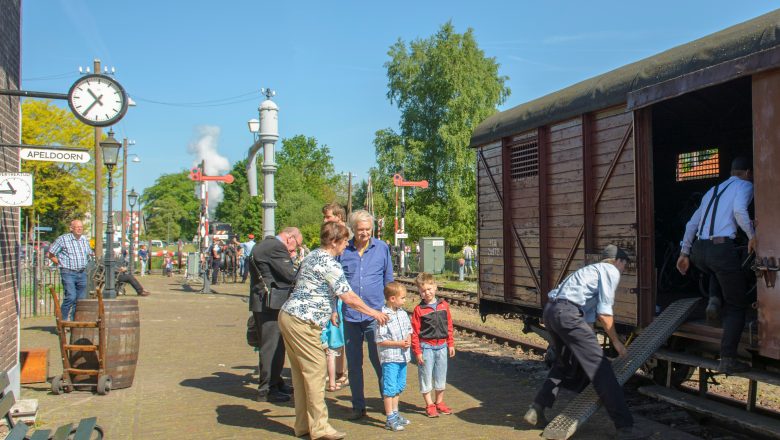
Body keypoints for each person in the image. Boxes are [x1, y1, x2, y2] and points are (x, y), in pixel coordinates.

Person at [279, 222, 389, 440]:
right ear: (334, 242)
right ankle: (319, 428)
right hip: (304, 321)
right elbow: (348, 297)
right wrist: (374, 312)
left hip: (289, 316)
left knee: (301, 375)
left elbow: (311, 286)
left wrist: (329, 310)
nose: (346, 244)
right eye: (344, 240)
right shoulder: (331, 263)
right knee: (316, 373)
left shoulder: (312, 256)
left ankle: (303, 425)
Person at [523, 245, 646, 440]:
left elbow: (587, 322)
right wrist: (616, 342)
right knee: (601, 368)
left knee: (564, 363)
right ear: (618, 261)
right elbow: (605, 313)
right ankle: (625, 428)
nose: (623, 270)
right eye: (624, 265)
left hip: (552, 312)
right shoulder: (610, 270)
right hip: (568, 314)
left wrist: (590, 344)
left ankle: (537, 409)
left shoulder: (589, 271)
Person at [676, 156, 756, 374]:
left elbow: (692, 223)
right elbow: (740, 210)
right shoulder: (746, 185)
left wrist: (684, 253)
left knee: (718, 270)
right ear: (748, 172)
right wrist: (752, 235)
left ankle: (713, 298)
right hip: (721, 249)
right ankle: (728, 358)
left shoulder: (713, 190)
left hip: (699, 252)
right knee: (737, 306)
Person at [340, 209, 394, 420]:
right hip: (351, 316)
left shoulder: (382, 248)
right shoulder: (344, 250)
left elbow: (388, 279)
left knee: (380, 361)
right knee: (354, 364)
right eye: (360, 230)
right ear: (352, 229)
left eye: (368, 229)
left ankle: (387, 402)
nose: (364, 233)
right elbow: (337, 283)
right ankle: (358, 406)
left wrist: (390, 308)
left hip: (376, 316)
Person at [248, 227, 302, 403]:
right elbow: (290, 275)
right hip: (271, 304)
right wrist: (295, 262)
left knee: (277, 345)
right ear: (290, 238)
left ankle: (276, 382)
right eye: (295, 246)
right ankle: (267, 389)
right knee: (271, 346)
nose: (293, 251)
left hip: (264, 302)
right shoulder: (276, 247)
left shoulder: (263, 244)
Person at [411, 272, 455, 418]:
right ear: (420, 292)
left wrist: (450, 344)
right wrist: (417, 351)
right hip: (426, 348)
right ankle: (429, 404)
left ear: (435, 287)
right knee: (426, 376)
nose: (427, 293)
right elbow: (415, 333)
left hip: (442, 346)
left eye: (429, 289)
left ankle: (439, 402)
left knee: (441, 376)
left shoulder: (444, 306)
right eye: (423, 291)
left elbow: (449, 325)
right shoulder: (419, 310)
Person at [376, 282, 413, 432]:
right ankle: (389, 417)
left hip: (403, 357)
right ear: (392, 298)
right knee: (389, 388)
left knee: (399, 386)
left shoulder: (403, 313)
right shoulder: (383, 316)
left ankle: (396, 413)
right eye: (402, 298)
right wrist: (398, 343)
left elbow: (409, 330)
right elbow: (380, 339)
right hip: (390, 358)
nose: (405, 301)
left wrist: (408, 339)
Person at [322, 202, 349, 387]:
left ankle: (341, 372)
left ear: (338, 217)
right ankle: (336, 372)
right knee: (333, 335)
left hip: (342, 294)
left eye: (328, 216)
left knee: (339, 335)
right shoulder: (330, 237)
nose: (324, 220)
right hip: (332, 294)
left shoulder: (345, 238)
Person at [47, 219, 93, 320]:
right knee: (71, 296)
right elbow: (50, 254)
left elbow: (89, 253)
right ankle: (62, 320)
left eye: (81, 227)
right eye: (77, 227)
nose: (80, 229)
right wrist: (60, 263)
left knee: (80, 300)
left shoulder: (84, 239)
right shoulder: (63, 239)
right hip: (68, 272)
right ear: (71, 228)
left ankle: (74, 321)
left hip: (82, 272)